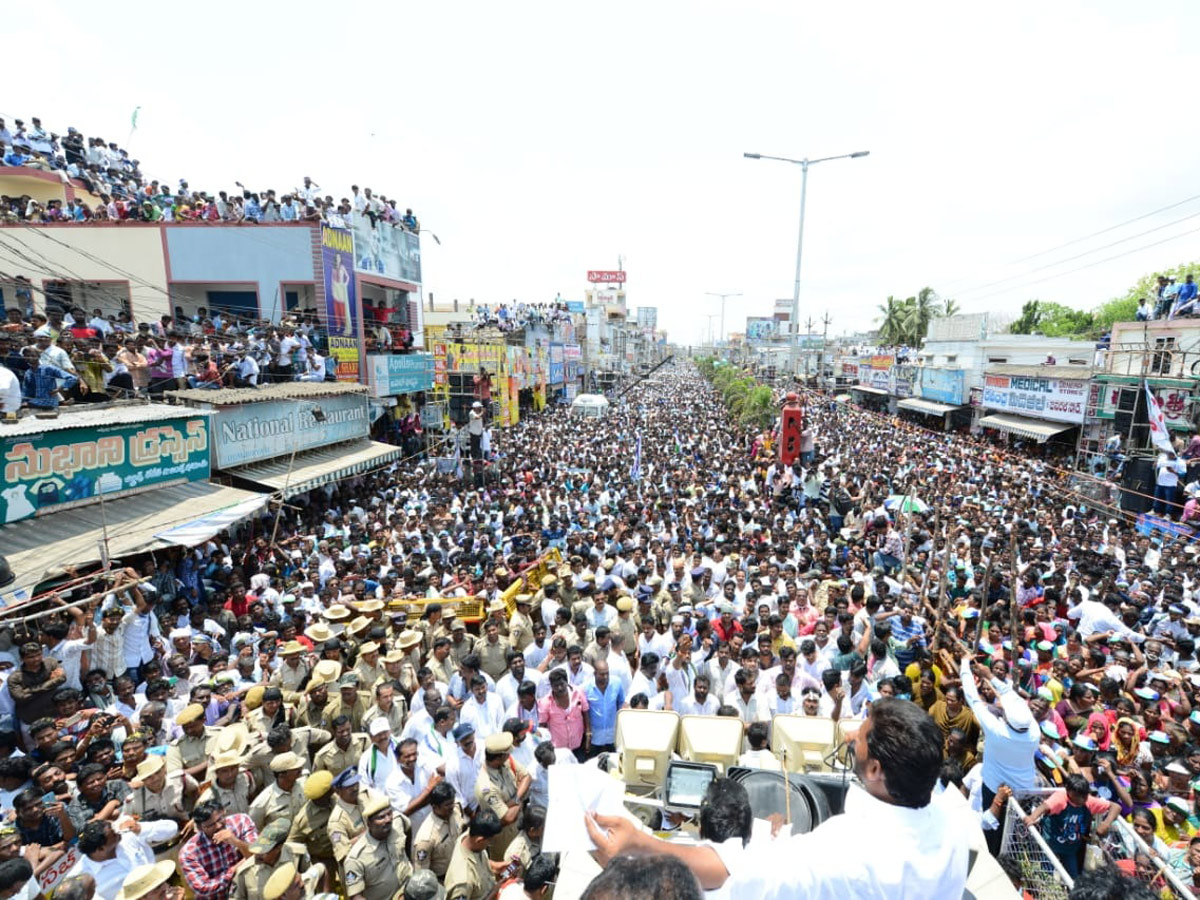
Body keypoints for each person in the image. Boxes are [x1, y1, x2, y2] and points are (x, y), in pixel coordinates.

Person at [584, 698, 970, 900]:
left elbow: (731, 878)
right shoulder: (951, 827)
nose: (851, 736)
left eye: (862, 735)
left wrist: (638, 848)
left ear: (875, 771)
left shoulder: (842, 850)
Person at [1023, 774, 1120, 878]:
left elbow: (1116, 807)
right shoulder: (1061, 798)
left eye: (1085, 795)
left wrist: (1106, 823)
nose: (1082, 799)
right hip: (1050, 845)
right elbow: (1044, 807)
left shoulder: (1089, 801)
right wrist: (1032, 817)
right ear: (1069, 791)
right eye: (1079, 796)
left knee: (1073, 877)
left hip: (1070, 848)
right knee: (1045, 875)